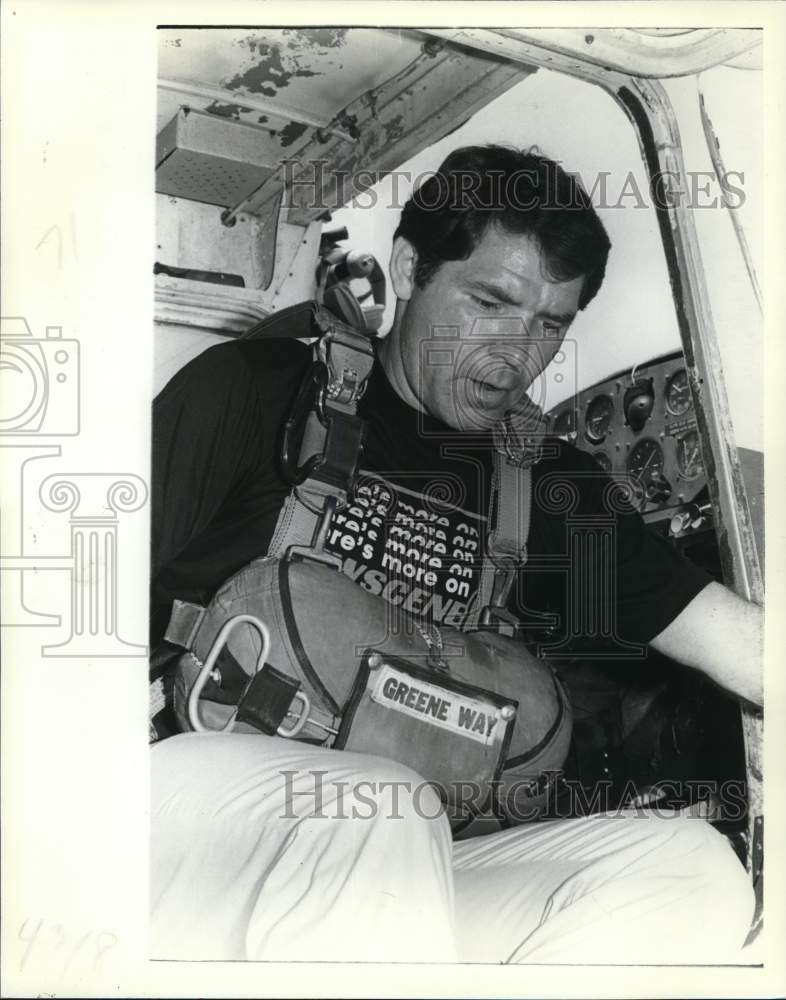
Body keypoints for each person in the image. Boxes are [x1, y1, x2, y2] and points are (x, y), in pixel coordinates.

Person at [149, 145, 760, 963]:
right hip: (186, 820)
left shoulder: (542, 483)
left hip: (393, 853)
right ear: (409, 267)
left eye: (550, 324)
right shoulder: (256, 391)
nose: (517, 354)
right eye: (492, 302)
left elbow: (739, 645)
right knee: (382, 809)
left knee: (692, 874)